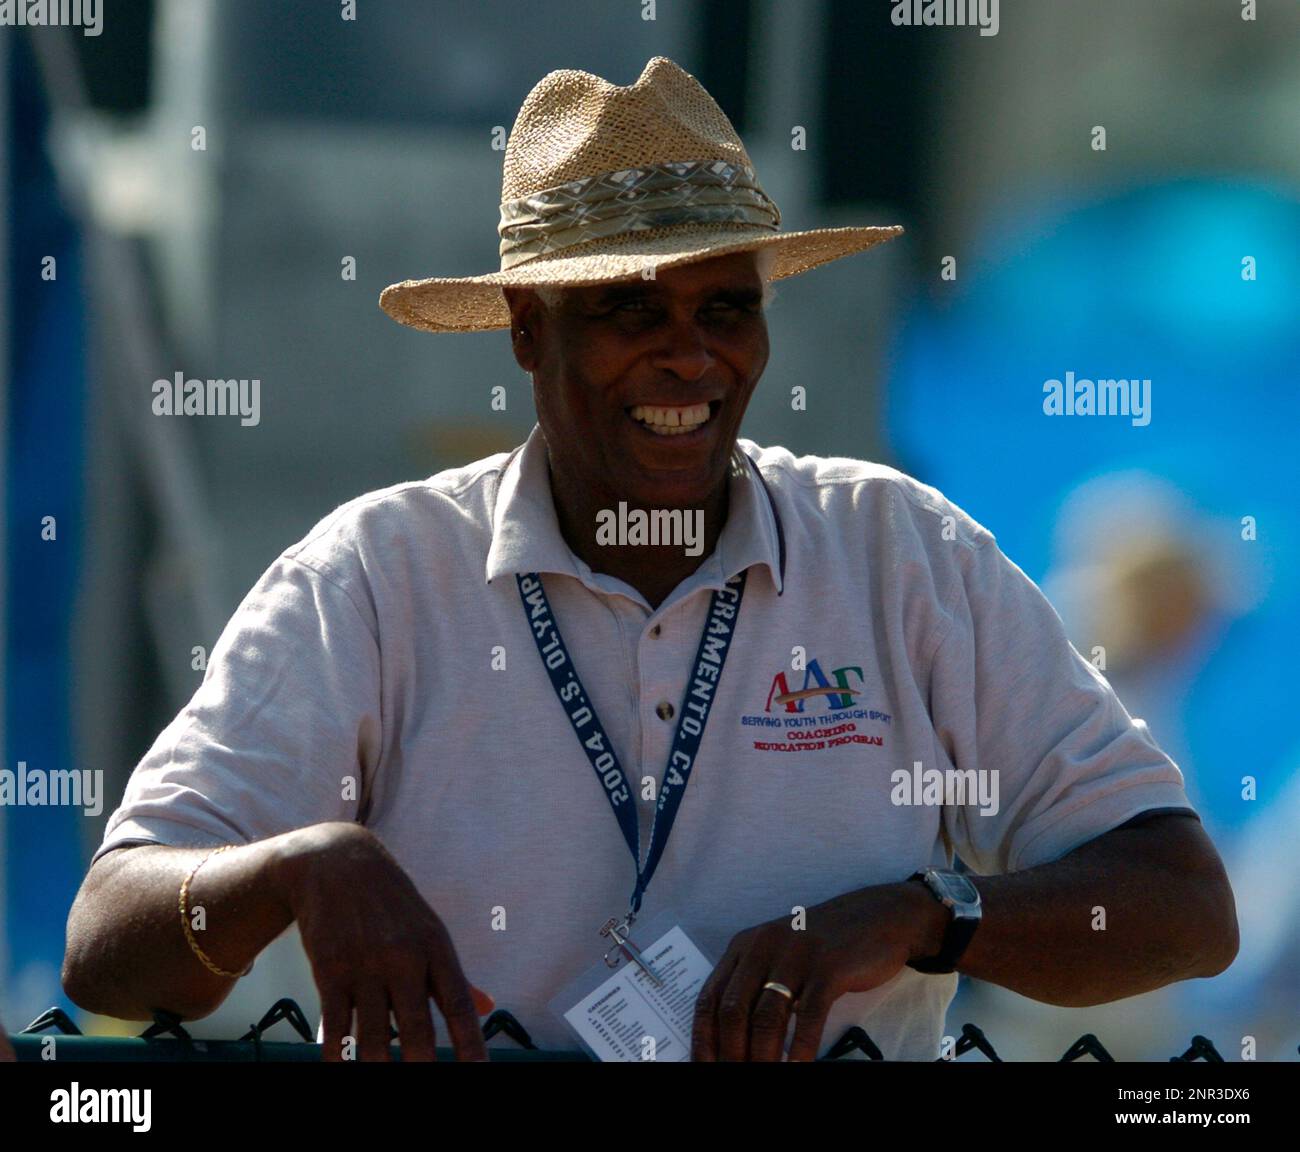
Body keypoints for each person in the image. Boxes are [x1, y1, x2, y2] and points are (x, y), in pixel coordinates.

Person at [62, 57, 1237, 1062]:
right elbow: (108, 949)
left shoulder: (901, 554)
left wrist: (920, 914)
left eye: (725, 311)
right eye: (630, 314)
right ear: (527, 331)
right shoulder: (374, 576)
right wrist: (294, 869)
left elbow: (1183, 910)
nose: (691, 362)